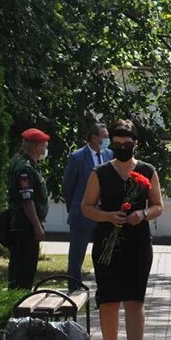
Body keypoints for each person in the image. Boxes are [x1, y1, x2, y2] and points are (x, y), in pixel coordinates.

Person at [80, 120, 163, 340]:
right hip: (107, 242)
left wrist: (143, 213)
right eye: (116, 144)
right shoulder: (100, 172)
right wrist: (107, 216)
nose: (121, 148)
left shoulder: (148, 171)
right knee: (108, 300)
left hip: (138, 242)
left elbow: (158, 205)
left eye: (127, 144)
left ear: (135, 143)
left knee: (135, 300)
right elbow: (87, 207)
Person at [61, 122, 112, 291]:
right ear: (93, 138)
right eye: (104, 136)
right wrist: (75, 208)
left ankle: (103, 289)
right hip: (81, 215)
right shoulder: (77, 157)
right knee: (77, 256)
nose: (107, 140)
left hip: (103, 215)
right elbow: (68, 187)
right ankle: (74, 290)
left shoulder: (109, 154)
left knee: (103, 254)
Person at [5, 129, 50, 290]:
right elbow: (27, 200)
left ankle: (18, 304)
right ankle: (19, 308)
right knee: (24, 271)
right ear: (36, 146)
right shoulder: (25, 168)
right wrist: (37, 226)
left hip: (23, 225)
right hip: (25, 227)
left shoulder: (23, 163)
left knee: (21, 268)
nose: (45, 148)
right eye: (44, 145)